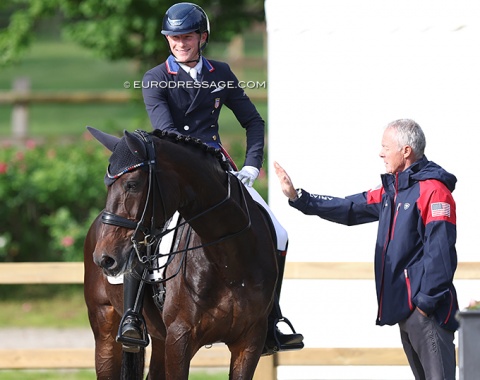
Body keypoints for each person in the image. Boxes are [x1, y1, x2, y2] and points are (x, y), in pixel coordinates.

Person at [117, 2, 303, 355]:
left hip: (221, 171)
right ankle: (132, 316)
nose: (179, 43)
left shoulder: (221, 73)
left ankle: (272, 318)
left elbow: (254, 121)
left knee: (278, 232)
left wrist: (251, 166)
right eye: (173, 37)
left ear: (202, 37)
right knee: (145, 232)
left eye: (186, 36)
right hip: (177, 173)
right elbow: (168, 134)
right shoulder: (156, 77)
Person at [274, 119, 459, 380]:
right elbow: (349, 208)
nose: (380, 153)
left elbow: (441, 256)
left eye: (385, 146)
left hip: (427, 314)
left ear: (406, 151)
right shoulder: (392, 190)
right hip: (409, 313)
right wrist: (299, 198)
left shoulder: (433, 191)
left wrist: (424, 306)